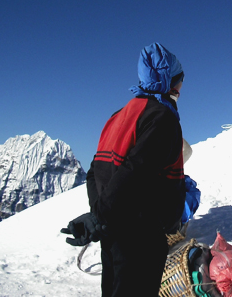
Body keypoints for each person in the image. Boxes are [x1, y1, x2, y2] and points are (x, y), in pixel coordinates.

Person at [62, 42, 186, 296]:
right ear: (168, 81)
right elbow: (136, 173)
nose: (182, 89)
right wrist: (100, 218)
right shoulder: (161, 118)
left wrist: (100, 216)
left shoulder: (117, 116)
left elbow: (94, 171)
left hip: (114, 233)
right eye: (180, 81)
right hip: (140, 237)